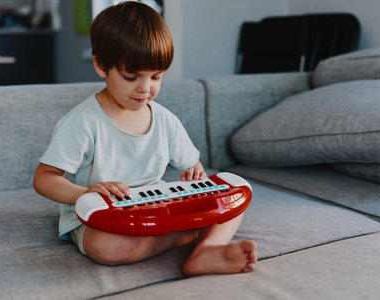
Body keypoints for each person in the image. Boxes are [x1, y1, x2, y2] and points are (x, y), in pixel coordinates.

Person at [33, 1, 256, 277]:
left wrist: (195, 171)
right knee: (105, 247)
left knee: (234, 200)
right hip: (101, 219)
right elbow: (44, 178)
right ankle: (190, 237)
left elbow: (192, 164)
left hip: (156, 210)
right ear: (101, 66)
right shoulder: (82, 122)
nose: (145, 89)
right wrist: (85, 193)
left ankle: (206, 250)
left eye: (156, 76)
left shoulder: (165, 119)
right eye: (131, 76)